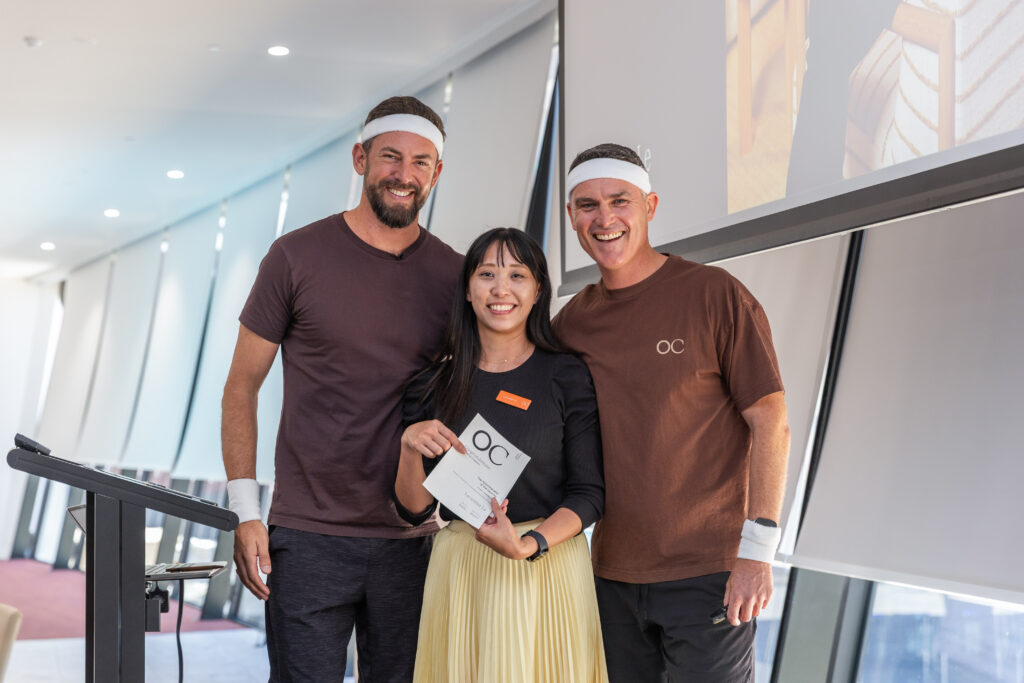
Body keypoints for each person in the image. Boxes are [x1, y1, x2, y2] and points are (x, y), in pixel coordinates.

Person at [221, 96, 463, 682]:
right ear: (360, 159)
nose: (404, 174)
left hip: (413, 538)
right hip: (308, 536)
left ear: (436, 173)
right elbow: (241, 387)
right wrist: (246, 513)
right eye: (390, 157)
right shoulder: (294, 257)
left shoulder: (456, 275)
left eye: (420, 162)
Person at [553, 143, 791, 682]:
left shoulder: (715, 295)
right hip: (611, 577)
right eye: (588, 205)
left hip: (710, 576)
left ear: (650, 206)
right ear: (572, 217)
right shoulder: (572, 323)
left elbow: (771, 423)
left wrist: (758, 553)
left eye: (620, 201)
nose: (605, 218)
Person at [393, 227, 608, 683]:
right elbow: (414, 510)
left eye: (517, 275)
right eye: (487, 274)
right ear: (467, 290)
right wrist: (409, 447)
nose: (501, 289)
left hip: (546, 566)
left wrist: (528, 546)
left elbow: (589, 493)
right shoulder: (432, 384)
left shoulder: (566, 375)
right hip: (461, 566)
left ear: (538, 291)